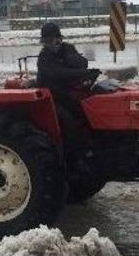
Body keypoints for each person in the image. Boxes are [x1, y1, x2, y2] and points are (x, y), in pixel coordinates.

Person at [36, 22, 100, 174]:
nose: (51, 44)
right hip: (53, 96)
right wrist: (80, 72)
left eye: (53, 40)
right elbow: (56, 73)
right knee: (68, 121)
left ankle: (95, 146)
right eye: (47, 41)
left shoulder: (68, 49)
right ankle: (76, 159)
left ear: (59, 38)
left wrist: (70, 59)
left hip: (69, 94)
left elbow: (82, 63)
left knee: (89, 112)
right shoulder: (44, 57)